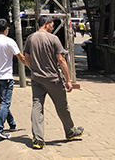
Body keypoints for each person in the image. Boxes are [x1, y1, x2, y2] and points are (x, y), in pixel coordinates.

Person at [24, 15, 83, 150]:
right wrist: (68, 80)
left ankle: (38, 139)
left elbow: (26, 57)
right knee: (62, 107)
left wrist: (33, 69)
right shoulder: (53, 39)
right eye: (52, 24)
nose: (53, 27)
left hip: (37, 79)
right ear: (46, 24)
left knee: (37, 107)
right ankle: (70, 132)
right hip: (53, 80)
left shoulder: (30, 38)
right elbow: (61, 60)